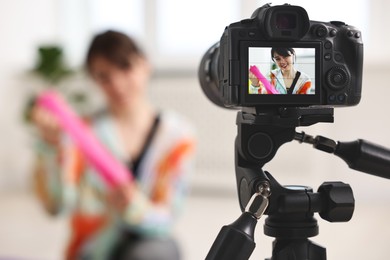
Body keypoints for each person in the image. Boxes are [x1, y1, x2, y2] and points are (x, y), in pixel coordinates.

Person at [31, 30, 196, 260]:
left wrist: (134, 208)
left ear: (145, 64)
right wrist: (50, 148)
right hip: (93, 251)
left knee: (159, 250)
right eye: (103, 77)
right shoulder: (82, 134)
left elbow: (168, 217)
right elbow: (56, 206)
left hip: (148, 246)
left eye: (125, 68)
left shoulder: (178, 136)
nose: (117, 84)